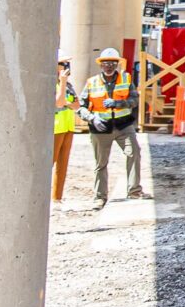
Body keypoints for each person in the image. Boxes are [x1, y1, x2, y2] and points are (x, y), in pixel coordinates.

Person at [81, 47, 145, 207]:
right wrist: (91, 118)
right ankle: (100, 197)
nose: (109, 66)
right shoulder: (91, 83)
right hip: (100, 127)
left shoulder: (126, 79)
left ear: (117, 64)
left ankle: (134, 191)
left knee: (134, 153)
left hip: (123, 125)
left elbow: (134, 100)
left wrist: (118, 103)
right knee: (101, 163)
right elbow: (81, 107)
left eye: (112, 63)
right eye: (106, 63)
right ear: (101, 65)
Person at [51, 56, 79, 204]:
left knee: (62, 165)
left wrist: (67, 101)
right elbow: (59, 103)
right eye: (62, 64)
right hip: (56, 128)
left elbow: (76, 105)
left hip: (68, 127)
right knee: (51, 162)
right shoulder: (52, 84)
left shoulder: (68, 85)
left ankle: (57, 198)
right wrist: (62, 83)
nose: (65, 67)